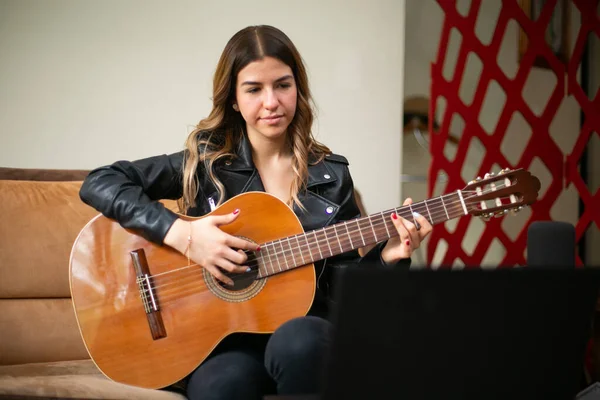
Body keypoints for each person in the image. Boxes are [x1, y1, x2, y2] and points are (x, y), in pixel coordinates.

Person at [79, 24, 432, 400]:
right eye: (254, 89)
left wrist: (389, 257)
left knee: (300, 342)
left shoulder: (330, 177)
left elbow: (343, 295)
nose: (271, 102)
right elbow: (101, 182)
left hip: (305, 330)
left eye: (283, 85)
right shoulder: (206, 163)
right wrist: (186, 237)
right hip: (224, 341)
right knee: (222, 386)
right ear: (233, 99)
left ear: (298, 89)